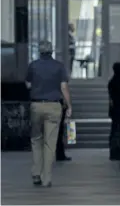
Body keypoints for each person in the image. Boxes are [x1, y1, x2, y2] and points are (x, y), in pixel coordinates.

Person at [26, 40, 72, 187]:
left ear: (39, 51)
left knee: (36, 140)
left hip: (36, 106)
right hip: (54, 106)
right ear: (51, 51)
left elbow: (27, 83)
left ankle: (35, 174)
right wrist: (69, 105)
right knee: (50, 143)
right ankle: (46, 178)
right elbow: (64, 87)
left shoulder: (33, 65)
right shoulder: (59, 67)